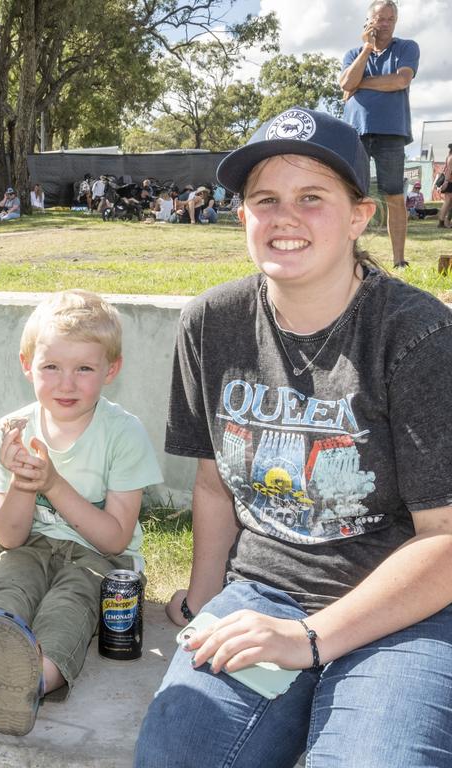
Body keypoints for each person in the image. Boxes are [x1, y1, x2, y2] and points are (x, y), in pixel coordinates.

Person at [135, 107, 452, 768]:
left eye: (312, 198)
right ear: (243, 215)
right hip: (264, 591)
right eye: (265, 200)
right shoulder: (211, 324)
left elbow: (445, 540)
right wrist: (202, 599)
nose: (286, 218)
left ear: (360, 215)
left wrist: (308, 640)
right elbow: (215, 485)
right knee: (177, 752)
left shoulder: (417, 334)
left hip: (404, 609)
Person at [0, 290, 162, 737]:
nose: (66, 384)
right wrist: (24, 485)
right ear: (27, 365)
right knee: (8, 587)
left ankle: (29, 683)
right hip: (28, 547)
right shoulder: (14, 430)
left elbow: (114, 539)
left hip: (97, 559)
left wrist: (51, 484)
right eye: (51, 367)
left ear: (111, 370)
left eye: (84, 368)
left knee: (69, 607)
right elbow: (9, 537)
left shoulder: (124, 433)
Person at [339, 0, 419, 267]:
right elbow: (346, 82)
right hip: (355, 133)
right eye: (379, 19)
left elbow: (400, 80)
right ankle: (348, 257)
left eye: (389, 19)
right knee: (350, 196)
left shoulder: (406, 48)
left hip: (392, 134)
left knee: (395, 197)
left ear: (395, 21)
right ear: (368, 21)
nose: (384, 24)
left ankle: (399, 261)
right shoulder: (353, 53)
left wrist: (359, 85)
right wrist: (366, 48)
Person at [438, 143, 452, 228]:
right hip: (450, 181)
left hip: (449, 181)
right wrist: (446, 181)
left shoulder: (449, 157)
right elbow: (449, 170)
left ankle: (445, 222)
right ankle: (442, 222)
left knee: (448, 203)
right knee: (447, 202)